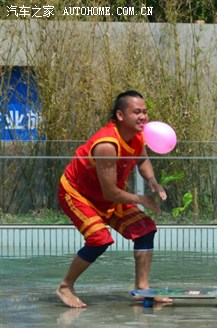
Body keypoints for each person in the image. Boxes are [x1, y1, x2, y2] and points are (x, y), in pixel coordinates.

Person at [56, 90, 167, 308]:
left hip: (109, 195)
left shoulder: (136, 136)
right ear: (120, 115)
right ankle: (65, 286)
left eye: (145, 112)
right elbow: (110, 193)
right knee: (99, 239)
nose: (143, 117)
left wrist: (152, 181)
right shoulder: (106, 145)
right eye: (136, 112)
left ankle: (141, 290)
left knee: (145, 228)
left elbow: (142, 158)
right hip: (78, 195)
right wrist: (142, 199)